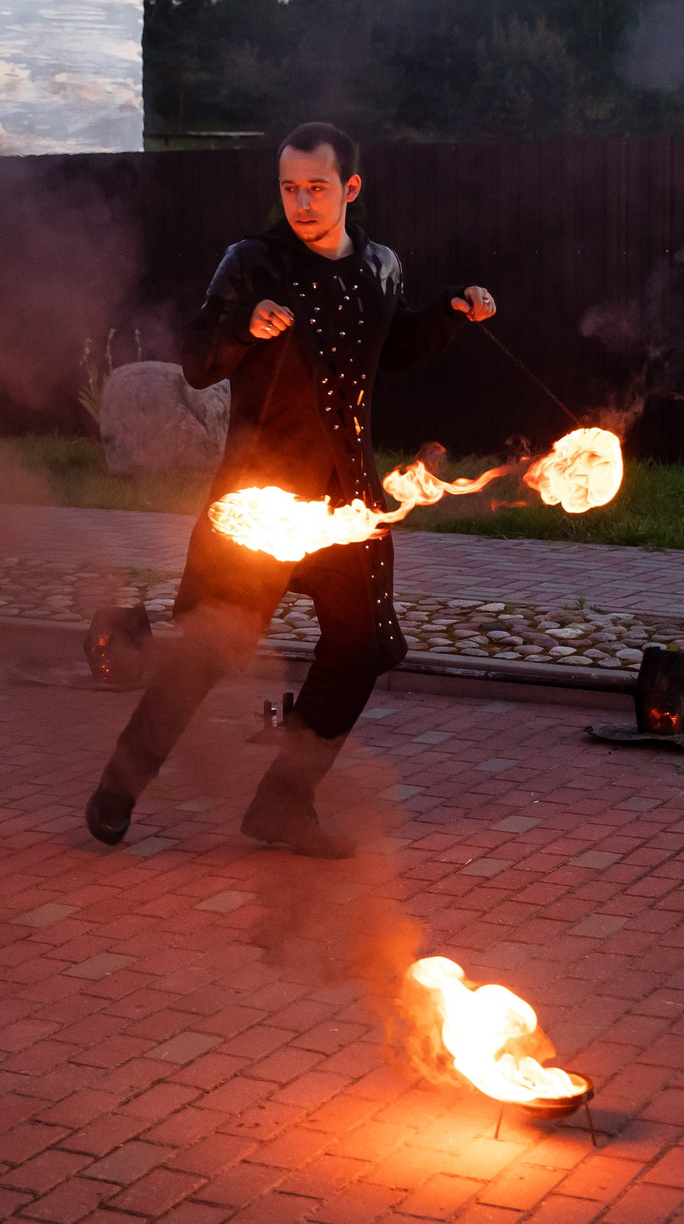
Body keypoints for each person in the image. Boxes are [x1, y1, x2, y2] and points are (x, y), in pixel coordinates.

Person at [84, 122, 497, 858]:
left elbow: (392, 343)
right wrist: (247, 325)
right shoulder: (252, 262)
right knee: (211, 648)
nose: (302, 201)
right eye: (290, 187)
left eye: (317, 187)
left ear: (351, 188)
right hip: (261, 500)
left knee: (364, 645)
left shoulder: (381, 267)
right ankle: (119, 782)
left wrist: (450, 311)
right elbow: (200, 360)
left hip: (347, 504)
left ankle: (284, 801)